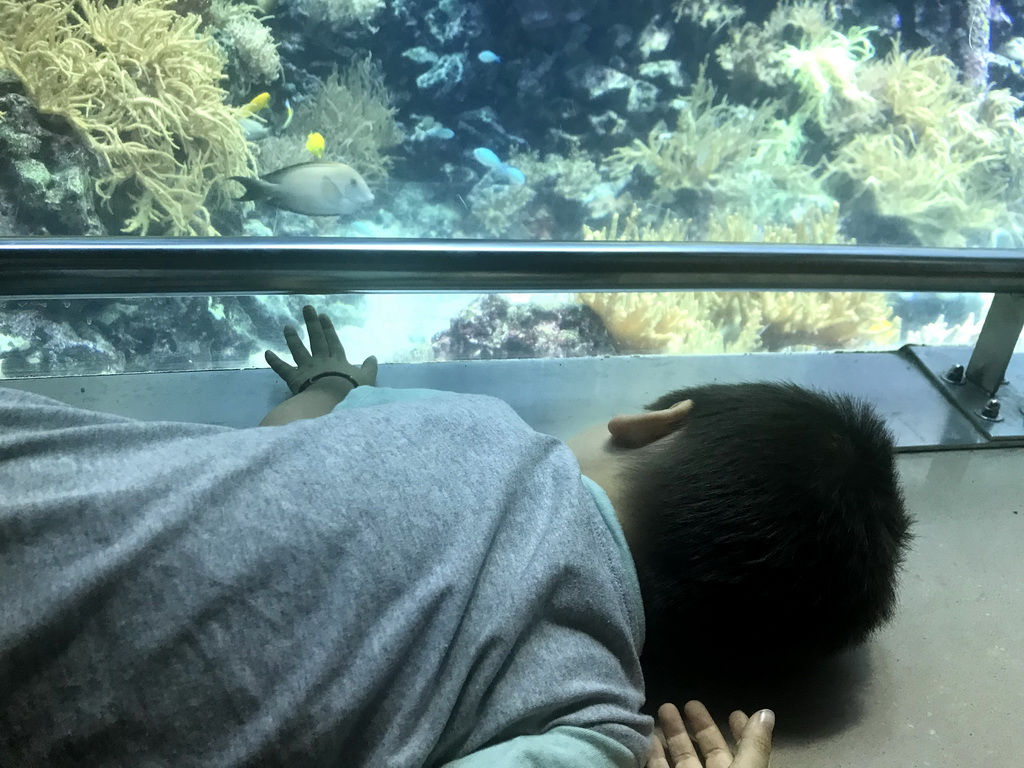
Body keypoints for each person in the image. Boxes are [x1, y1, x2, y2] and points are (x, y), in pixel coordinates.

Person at [0, 305, 912, 767]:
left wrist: (326, 382)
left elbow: (297, 435)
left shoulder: (471, 422)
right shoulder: (590, 728)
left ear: (649, 423)